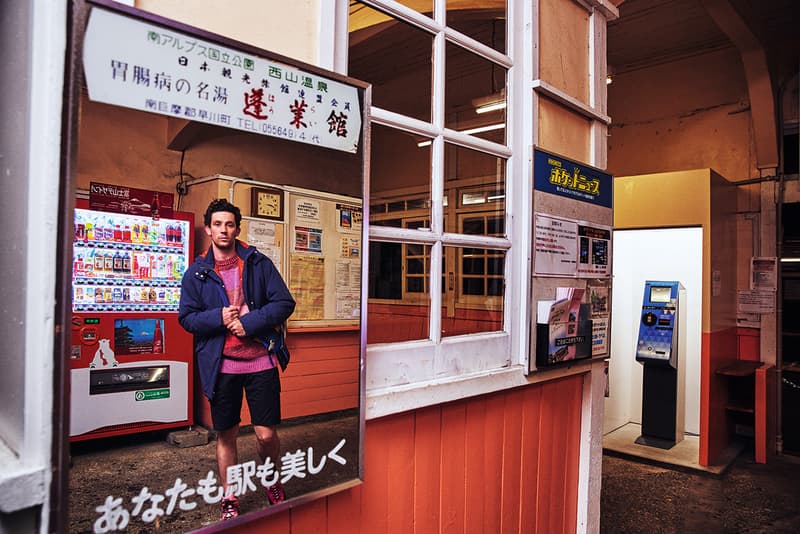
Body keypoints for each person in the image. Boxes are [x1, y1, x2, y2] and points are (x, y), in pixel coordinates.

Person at [178, 198, 295, 521]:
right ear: (208, 229)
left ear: (237, 229)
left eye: (229, 224)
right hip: (222, 366)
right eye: (218, 224)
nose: (224, 230)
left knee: (266, 434)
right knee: (226, 434)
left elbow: (285, 302)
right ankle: (230, 495)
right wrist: (218, 316)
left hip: (261, 361)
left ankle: (271, 479)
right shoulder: (197, 273)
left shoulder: (258, 262)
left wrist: (250, 322)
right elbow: (186, 318)